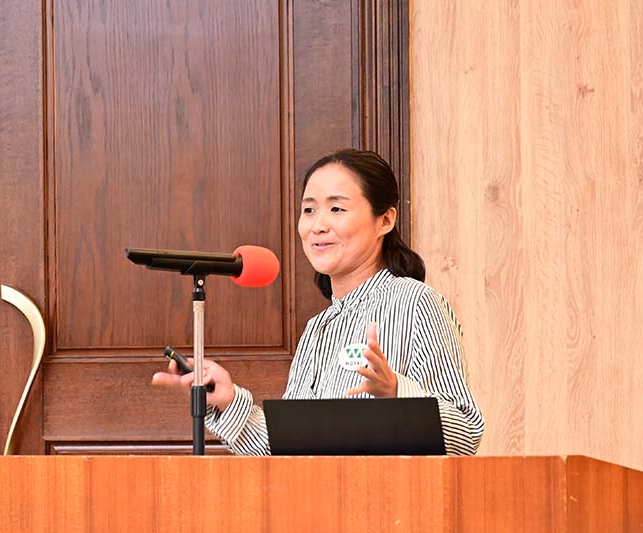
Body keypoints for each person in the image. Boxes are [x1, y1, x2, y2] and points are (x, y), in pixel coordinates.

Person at [152, 149, 484, 455]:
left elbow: (466, 434)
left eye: (336, 209)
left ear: (385, 220)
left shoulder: (416, 302)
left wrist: (397, 391)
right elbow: (291, 450)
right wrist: (227, 399)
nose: (318, 226)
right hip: (317, 500)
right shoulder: (317, 329)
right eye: (309, 210)